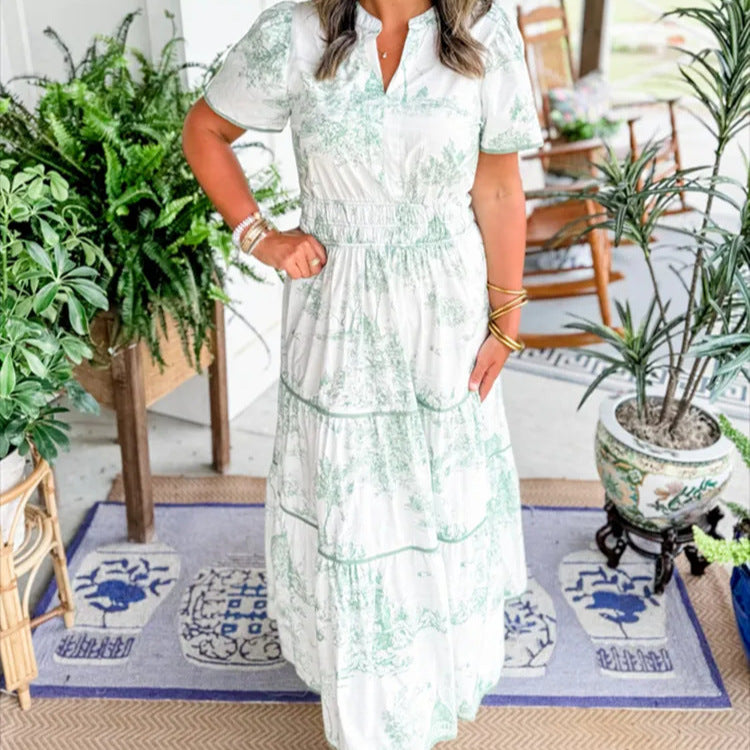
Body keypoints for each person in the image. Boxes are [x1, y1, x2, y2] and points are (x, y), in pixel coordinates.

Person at [182, 0, 543, 747]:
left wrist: (506, 319)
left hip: (444, 308)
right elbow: (204, 130)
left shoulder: (486, 31)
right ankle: (367, 700)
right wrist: (260, 235)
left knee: (435, 492)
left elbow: (500, 190)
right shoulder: (296, 32)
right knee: (352, 500)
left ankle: (433, 679)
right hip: (336, 310)